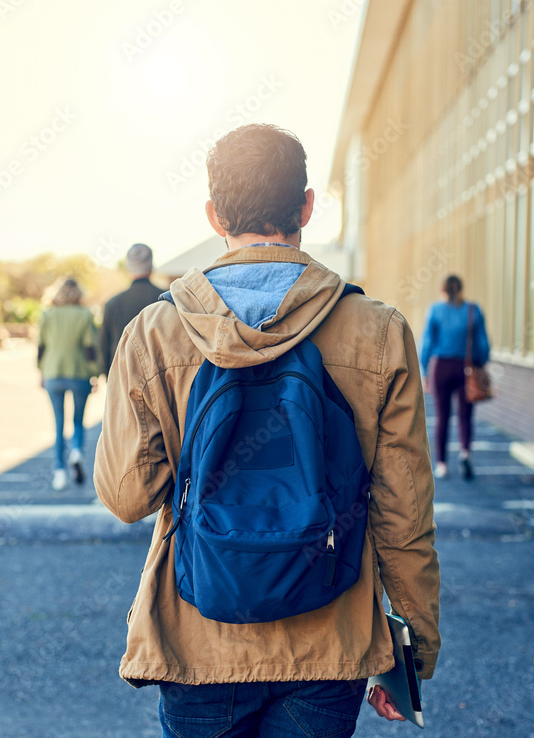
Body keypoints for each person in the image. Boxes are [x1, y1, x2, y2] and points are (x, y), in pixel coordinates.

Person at [94, 124, 440, 736]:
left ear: (213, 214)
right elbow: (403, 513)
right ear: (306, 206)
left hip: (198, 641)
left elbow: (127, 497)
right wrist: (410, 652)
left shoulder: (157, 331)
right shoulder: (378, 330)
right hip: (329, 640)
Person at [420, 274, 490, 481]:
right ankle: (465, 452)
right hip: (466, 367)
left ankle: (441, 464)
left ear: (442, 290)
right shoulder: (473, 310)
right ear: (461, 289)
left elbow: (427, 343)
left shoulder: (435, 310)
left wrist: (424, 370)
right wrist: (480, 363)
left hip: (441, 367)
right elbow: (483, 345)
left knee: (442, 416)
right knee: (466, 415)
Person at [37, 278, 98, 491]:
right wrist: (94, 374)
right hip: (79, 373)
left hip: (53, 373)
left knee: (59, 424)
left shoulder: (47, 315)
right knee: (78, 421)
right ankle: (76, 452)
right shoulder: (85, 315)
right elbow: (90, 347)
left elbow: (41, 347)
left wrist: (41, 371)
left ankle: (60, 473)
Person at [99, 243, 163, 379]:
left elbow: (104, 345)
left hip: (122, 376)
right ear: (151, 266)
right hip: (159, 377)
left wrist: (108, 377)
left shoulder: (112, 304)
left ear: (128, 268)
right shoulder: (166, 299)